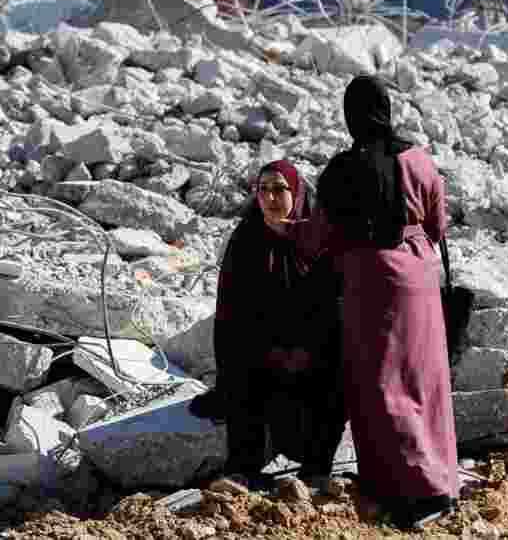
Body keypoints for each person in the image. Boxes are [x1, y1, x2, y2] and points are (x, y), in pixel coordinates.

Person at [297, 74, 459, 530]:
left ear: (350, 116)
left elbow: (315, 239)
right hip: (419, 278)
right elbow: (437, 224)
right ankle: (441, 483)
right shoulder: (419, 160)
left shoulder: (341, 171)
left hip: (369, 282)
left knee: (381, 387)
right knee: (424, 380)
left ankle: (401, 492)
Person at [189, 159, 346, 490]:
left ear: (297, 192)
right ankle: (243, 469)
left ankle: (318, 468)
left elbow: (335, 306)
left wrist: (307, 349)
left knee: (339, 374)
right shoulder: (246, 239)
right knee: (240, 370)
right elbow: (231, 315)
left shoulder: (319, 238)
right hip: (263, 356)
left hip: (313, 355)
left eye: (279, 189)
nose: (271, 198)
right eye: (263, 190)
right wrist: (267, 351)